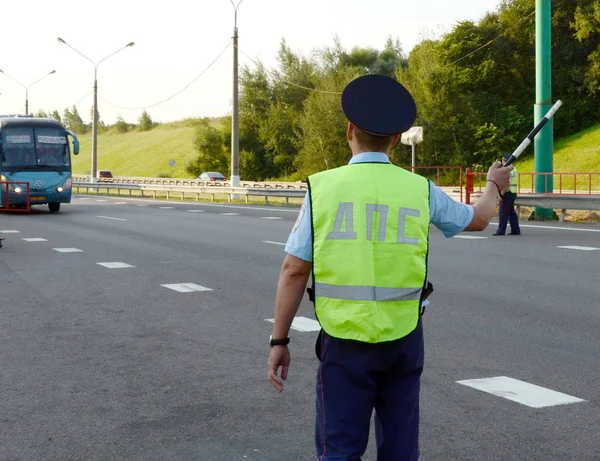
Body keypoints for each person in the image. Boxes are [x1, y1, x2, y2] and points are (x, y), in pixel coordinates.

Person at [266, 74, 513, 461]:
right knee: (399, 450)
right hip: (404, 338)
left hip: (343, 339)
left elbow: (294, 271)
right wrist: (494, 184)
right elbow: (479, 218)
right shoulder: (419, 189)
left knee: (340, 449)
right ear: (396, 139)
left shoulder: (323, 188)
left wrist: (279, 341)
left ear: (350, 130)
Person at [493, 152, 521, 236]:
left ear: (504, 160)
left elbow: (506, 183)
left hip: (507, 193)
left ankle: (501, 231)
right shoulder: (514, 169)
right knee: (511, 212)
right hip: (513, 192)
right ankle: (515, 230)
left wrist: (501, 194)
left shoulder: (506, 170)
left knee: (503, 212)